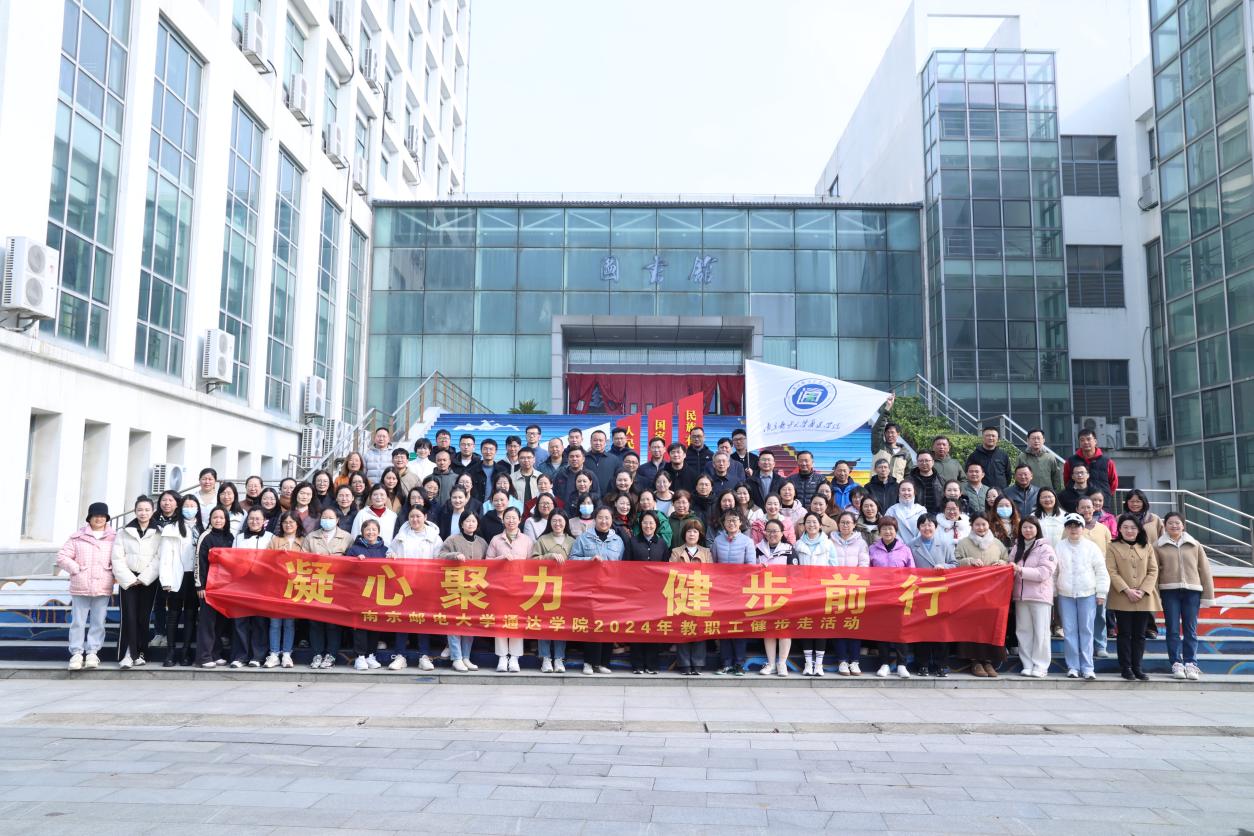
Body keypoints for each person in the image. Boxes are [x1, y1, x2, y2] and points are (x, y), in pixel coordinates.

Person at [1155, 512, 1214, 681]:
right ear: (1165, 526)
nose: (1174, 526)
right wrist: (1155, 595)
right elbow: (1154, 571)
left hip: (1192, 591)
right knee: (1172, 629)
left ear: (1183, 525)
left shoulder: (1194, 544)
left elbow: (1204, 570)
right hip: (1169, 591)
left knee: (1190, 629)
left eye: (1177, 523)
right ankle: (1176, 663)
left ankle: (1191, 663)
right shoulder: (1157, 546)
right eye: (1170, 523)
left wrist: (1208, 594)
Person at [58, 501, 116, 671]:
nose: (99, 519)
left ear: (106, 518)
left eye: (102, 516)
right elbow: (62, 557)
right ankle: (76, 653)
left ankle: (92, 652)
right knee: (78, 621)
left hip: (103, 585)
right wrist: (76, 568)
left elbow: (119, 558)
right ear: (89, 518)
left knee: (99, 621)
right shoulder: (77, 537)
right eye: (95, 516)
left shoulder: (114, 538)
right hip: (81, 585)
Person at [386, 505, 442, 671]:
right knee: (402, 619)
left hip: (425, 585)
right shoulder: (401, 536)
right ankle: (400, 655)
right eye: (412, 516)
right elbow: (390, 552)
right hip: (403, 584)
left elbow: (439, 560)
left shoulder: (434, 537)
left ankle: (424, 656)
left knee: (422, 619)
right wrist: (391, 556)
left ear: (425, 517)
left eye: (418, 516)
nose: (415, 519)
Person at [569, 507, 625, 675]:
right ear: (595, 519)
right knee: (592, 625)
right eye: (600, 517)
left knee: (607, 626)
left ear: (611, 520)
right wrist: (589, 560)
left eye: (607, 518)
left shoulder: (618, 541)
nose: (603, 521)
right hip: (589, 588)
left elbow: (622, 566)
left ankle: (603, 662)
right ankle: (589, 662)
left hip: (610, 589)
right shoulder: (583, 538)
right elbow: (572, 559)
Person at [1055, 512, 1108, 680]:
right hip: (1065, 594)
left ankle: (1087, 667)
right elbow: (1055, 572)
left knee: (1086, 630)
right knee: (1069, 630)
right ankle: (1073, 666)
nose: (1073, 529)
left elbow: (1101, 571)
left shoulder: (1091, 547)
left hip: (1087, 594)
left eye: (1076, 526)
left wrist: (1101, 593)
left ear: (1082, 528)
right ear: (1066, 528)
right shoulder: (1059, 547)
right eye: (1070, 526)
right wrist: (1053, 592)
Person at [1106, 514, 1160, 681]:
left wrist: (1143, 590)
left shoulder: (1147, 547)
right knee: (1124, 633)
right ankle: (1126, 667)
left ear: (1139, 530)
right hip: (1122, 597)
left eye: (1133, 528)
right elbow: (1112, 571)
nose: (1129, 531)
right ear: (1119, 529)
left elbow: (1153, 570)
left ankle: (1137, 667)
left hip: (1144, 597)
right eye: (1125, 527)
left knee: (1140, 634)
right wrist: (1127, 590)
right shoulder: (1112, 547)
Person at [955, 513, 1010, 677]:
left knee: (989, 626)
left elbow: (1007, 560)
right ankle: (975, 661)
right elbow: (955, 562)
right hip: (970, 594)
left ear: (989, 525)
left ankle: (988, 661)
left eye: (984, 524)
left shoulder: (997, 543)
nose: (981, 528)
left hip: (993, 593)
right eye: (977, 524)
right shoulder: (963, 543)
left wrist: (1002, 563)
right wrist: (968, 561)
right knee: (973, 626)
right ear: (972, 526)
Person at [112, 496, 160, 669]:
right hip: (128, 580)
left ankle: (140, 653)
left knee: (143, 617)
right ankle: (127, 653)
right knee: (129, 616)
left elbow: (159, 558)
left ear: (153, 511)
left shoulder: (159, 533)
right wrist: (130, 579)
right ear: (135, 511)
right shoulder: (123, 532)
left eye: (147, 510)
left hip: (148, 580)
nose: (143, 513)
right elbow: (117, 557)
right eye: (140, 510)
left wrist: (144, 578)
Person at [302, 507, 353, 669]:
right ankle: (317, 654)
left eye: (331, 518)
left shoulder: (347, 537)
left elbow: (352, 561)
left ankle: (331, 654)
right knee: (315, 622)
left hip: (337, 586)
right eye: (324, 517)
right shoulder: (311, 537)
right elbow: (302, 559)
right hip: (315, 584)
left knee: (333, 622)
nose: (327, 520)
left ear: (337, 520)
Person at [908, 514, 956, 677]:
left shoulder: (945, 544)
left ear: (935, 527)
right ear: (918, 527)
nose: (927, 528)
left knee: (941, 629)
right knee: (921, 630)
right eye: (923, 525)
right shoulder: (911, 545)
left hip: (940, 592)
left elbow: (954, 564)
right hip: (920, 592)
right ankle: (922, 664)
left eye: (930, 525)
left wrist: (944, 566)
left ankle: (941, 665)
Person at [485, 507, 533, 673]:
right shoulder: (496, 539)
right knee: (500, 621)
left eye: (514, 518)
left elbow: (532, 564)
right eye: (508, 518)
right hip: (499, 587)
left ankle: (514, 657)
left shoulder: (527, 540)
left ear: (520, 520)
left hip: (519, 587)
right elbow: (487, 562)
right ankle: (502, 656)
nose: (511, 521)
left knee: (516, 621)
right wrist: (501, 559)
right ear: (503, 520)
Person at [1009, 517, 1057, 678]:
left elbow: (1044, 572)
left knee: (1041, 632)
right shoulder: (1017, 547)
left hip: (1040, 597)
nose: (1027, 530)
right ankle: (1027, 664)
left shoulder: (1046, 548)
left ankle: (1041, 666)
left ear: (1037, 529)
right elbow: (1010, 567)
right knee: (1023, 631)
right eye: (1024, 527)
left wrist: (1020, 570)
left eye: (1031, 527)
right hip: (1020, 596)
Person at [791, 512, 838, 676]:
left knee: (820, 627)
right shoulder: (797, 545)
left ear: (820, 525)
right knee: (806, 625)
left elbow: (834, 567)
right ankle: (808, 663)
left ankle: (818, 664)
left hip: (821, 592)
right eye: (808, 522)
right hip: (803, 593)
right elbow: (794, 570)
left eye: (814, 522)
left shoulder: (828, 544)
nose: (811, 525)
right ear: (804, 525)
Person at [157, 495, 202, 667]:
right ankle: (170, 652)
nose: (189, 509)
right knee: (173, 615)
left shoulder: (202, 527)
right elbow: (165, 556)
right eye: (186, 506)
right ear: (180, 508)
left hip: (194, 577)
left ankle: (185, 652)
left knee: (191, 615)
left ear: (197, 508)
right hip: (177, 575)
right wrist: (166, 580)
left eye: (193, 505)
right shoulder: (172, 528)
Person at [439, 513, 486, 671]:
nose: (470, 524)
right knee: (454, 621)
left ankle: (466, 657)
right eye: (467, 521)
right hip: (455, 586)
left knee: (469, 622)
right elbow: (440, 556)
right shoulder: (452, 540)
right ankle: (456, 657)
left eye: (473, 521)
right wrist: (454, 555)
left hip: (474, 589)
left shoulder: (482, 542)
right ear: (461, 523)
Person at [868, 517, 914, 678]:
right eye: (884, 528)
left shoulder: (905, 549)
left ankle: (902, 664)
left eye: (891, 529)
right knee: (883, 630)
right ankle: (884, 663)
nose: (888, 532)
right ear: (879, 531)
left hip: (900, 596)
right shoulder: (872, 549)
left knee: (901, 630)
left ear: (896, 531)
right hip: (880, 596)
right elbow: (867, 572)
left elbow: (912, 571)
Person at [625, 512, 669, 675]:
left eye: (651, 523)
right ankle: (637, 664)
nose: (648, 526)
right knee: (637, 627)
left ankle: (651, 664)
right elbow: (626, 566)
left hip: (655, 594)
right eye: (645, 522)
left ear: (656, 525)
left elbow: (666, 568)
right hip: (636, 592)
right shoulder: (633, 542)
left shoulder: (662, 543)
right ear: (640, 524)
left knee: (653, 628)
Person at [229, 508, 272, 668]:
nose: (254, 522)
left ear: (264, 521)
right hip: (241, 584)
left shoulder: (271, 537)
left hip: (262, 585)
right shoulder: (239, 538)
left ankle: (258, 656)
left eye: (257, 519)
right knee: (241, 620)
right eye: (251, 519)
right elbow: (232, 559)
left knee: (259, 621)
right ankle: (241, 656)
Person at [345, 517, 388, 671]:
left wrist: (393, 558)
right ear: (362, 532)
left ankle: (371, 655)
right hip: (359, 593)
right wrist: (354, 561)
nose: (371, 532)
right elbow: (345, 569)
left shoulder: (385, 550)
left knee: (374, 624)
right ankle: (360, 656)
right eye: (367, 529)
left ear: (378, 532)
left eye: (374, 529)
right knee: (360, 625)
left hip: (378, 593)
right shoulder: (354, 549)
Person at [194, 506, 235, 668]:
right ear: (210, 519)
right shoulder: (205, 536)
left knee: (220, 622)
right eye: (215, 517)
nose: (218, 520)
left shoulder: (230, 537)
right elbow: (199, 562)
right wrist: (200, 586)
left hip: (225, 587)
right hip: (208, 588)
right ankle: (203, 657)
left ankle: (215, 654)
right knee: (207, 623)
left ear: (226, 520)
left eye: (221, 518)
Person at [829, 511, 869, 675]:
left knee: (854, 625)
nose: (845, 525)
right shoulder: (830, 541)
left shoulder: (861, 542)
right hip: (835, 588)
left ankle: (855, 661)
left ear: (854, 525)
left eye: (848, 522)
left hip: (854, 589)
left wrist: (854, 580)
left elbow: (864, 564)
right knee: (838, 625)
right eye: (842, 522)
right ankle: (842, 661)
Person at [670, 520, 712, 675]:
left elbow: (711, 573)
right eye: (689, 531)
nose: (692, 534)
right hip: (682, 595)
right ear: (684, 534)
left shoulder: (706, 552)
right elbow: (671, 572)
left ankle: (698, 663)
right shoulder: (676, 551)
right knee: (684, 628)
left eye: (695, 531)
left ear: (700, 535)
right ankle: (684, 664)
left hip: (700, 595)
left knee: (699, 629)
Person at [532, 510, 572, 673]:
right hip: (545, 587)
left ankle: (559, 658)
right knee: (545, 623)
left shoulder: (572, 540)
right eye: (554, 520)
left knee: (560, 623)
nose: (557, 524)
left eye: (560, 520)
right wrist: (547, 557)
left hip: (565, 588)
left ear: (566, 522)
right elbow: (532, 561)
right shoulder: (542, 540)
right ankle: (545, 658)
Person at [753, 519, 793, 677]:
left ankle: (782, 663)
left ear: (782, 533)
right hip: (764, 595)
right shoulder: (757, 549)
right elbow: (749, 570)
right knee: (768, 629)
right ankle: (770, 663)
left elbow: (796, 574)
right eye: (769, 531)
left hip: (784, 595)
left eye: (775, 531)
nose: (772, 534)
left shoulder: (789, 550)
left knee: (784, 629)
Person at [263, 512, 303, 669]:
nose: (288, 525)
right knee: (275, 622)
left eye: (292, 522)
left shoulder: (303, 541)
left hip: (295, 587)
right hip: (277, 586)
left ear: (297, 524)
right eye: (285, 522)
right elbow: (266, 560)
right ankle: (274, 654)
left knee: (289, 622)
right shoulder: (275, 540)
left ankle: (287, 653)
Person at [1064, 428, 1119, 508]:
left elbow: (1114, 483)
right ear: (1079, 443)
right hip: (1078, 504)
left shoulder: (1107, 462)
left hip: (1101, 504)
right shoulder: (1070, 461)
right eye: (1082, 440)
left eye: (1088, 439)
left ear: (1095, 441)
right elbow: (1067, 481)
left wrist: (1105, 495)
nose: (1085, 442)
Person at [872, 402, 913, 481]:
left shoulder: (905, 453)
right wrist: (887, 407)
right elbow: (877, 430)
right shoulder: (879, 446)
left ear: (898, 434)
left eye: (892, 432)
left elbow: (909, 474)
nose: (890, 435)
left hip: (896, 487)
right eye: (887, 432)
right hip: (877, 486)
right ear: (884, 434)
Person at [1021, 428, 1063, 493]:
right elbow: (1018, 477)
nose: (1036, 441)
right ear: (1028, 440)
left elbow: (1056, 478)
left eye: (1038, 438)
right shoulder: (1022, 457)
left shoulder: (1050, 457)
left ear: (1043, 440)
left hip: (1047, 494)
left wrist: (1057, 493)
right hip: (1028, 494)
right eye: (1033, 438)